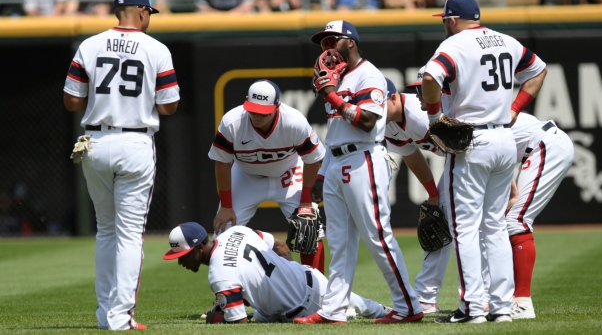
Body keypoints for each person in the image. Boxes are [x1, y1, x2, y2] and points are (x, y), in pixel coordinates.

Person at [421, 0, 547, 323]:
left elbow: (431, 78)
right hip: (505, 137)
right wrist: (515, 109)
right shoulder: (506, 40)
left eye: (445, 19)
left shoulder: (456, 45)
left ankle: (472, 308)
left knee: (465, 228)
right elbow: (538, 70)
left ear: (451, 19)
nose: (445, 24)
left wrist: (434, 118)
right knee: (494, 226)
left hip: (471, 139)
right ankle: (502, 308)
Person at [63, 0, 179, 329]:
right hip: (134, 142)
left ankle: (105, 314)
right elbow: (169, 106)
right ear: (142, 12)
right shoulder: (156, 48)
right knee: (129, 235)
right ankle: (120, 315)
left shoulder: (89, 44)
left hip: (95, 142)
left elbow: (71, 100)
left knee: (106, 231)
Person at [294, 20, 424, 324]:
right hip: (338, 160)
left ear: (350, 42)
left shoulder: (369, 74)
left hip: (363, 157)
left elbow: (366, 121)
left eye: (332, 41)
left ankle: (409, 307)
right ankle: (334, 309)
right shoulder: (335, 78)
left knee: (377, 236)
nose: (326, 48)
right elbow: (336, 132)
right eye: (323, 43)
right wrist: (321, 177)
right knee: (340, 242)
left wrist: (332, 96)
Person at [162, 222, 391, 322]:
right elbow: (281, 245)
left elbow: (239, 323)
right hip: (306, 277)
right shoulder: (236, 231)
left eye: (183, 255)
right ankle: (378, 310)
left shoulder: (219, 274)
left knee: (364, 308)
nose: (179, 261)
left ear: (200, 248)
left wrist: (215, 318)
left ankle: (370, 311)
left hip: (303, 308)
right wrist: (286, 275)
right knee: (362, 304)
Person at [208, 79, 326, 272]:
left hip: (288, 174)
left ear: (277, 106)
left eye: (263, 112)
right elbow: (221, 162)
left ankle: (315, 291)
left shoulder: (294, 122)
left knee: (310, 229)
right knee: (223, 234)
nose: (256, 116)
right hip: (245, 175)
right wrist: (226, 206)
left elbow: (313, 160)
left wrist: (305, 203)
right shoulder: (233, 122)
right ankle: (228, 296)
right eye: (252, 109)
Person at [496, 112, 574, 319]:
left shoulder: (472, 115)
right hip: (539, 147)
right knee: (506, 220)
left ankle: (522, 303)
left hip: (545, 144)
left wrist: (512, 195)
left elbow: (497, 157)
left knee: (516, 220)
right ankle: (507, 298)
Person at [385, 71, 450, 315]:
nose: (373, 111)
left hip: (492, 152)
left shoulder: (421, 115)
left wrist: (510, 186)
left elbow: (472, 147)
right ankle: (426, 297)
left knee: (474, 225)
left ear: (392, 98)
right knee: (441, 221)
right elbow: (411, 155)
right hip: (460, 161)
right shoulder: (387, 123)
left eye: (377, 104)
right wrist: (433, 194)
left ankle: (490, 295)